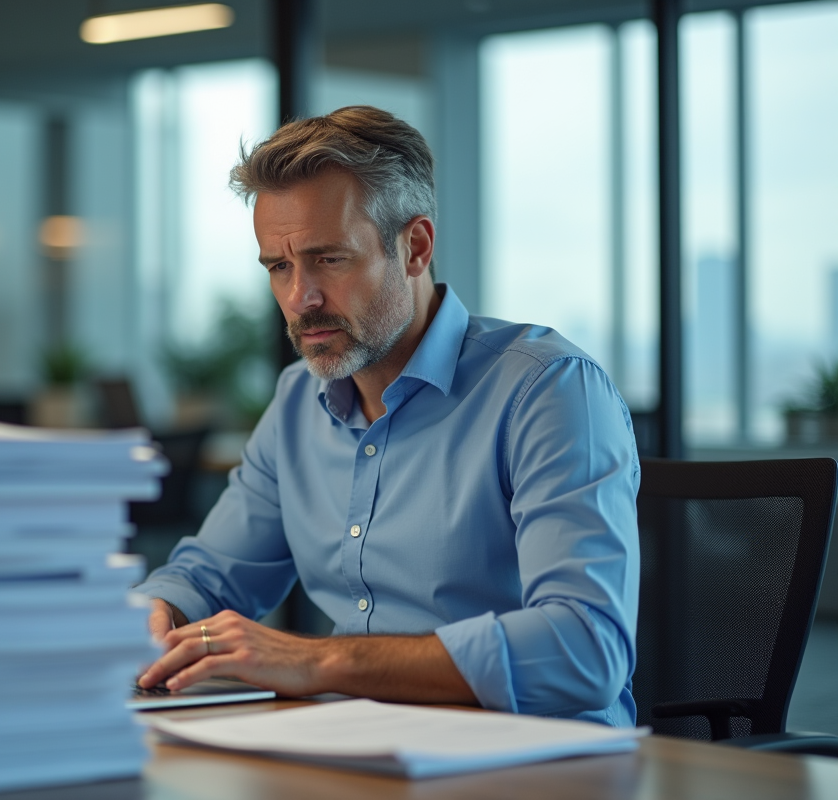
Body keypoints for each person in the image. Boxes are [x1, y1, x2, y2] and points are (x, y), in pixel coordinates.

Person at [135, 106, 640, 726]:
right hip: (351, 749)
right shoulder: (298, 401)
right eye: (279, 267)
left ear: (415, 247)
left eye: (330, 259)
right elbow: (207, 575)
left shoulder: (548, 390)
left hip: (532, 764)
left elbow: (584, 649)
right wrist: (158, 613)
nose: (301, 298)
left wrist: (320, 662)